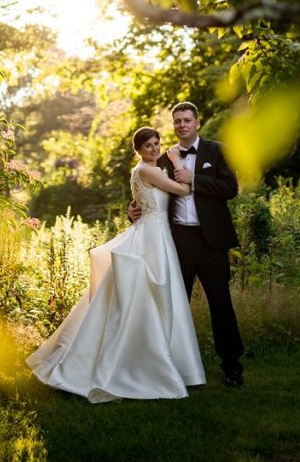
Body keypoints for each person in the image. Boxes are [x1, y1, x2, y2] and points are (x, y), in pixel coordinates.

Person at [27, 127, 205, 401]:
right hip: (152, 237)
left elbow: (143, 203)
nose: (155, 149)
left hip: (156, 233)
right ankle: (142, 364)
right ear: (139, 150)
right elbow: (181, 188)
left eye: (157, 144)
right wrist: (179, 164)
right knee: (149, 294)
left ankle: (164, 358)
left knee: (153, 295)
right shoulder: (149, 171)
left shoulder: (145, 171)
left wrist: (133, 209)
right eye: (148, 146)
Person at [129, 102, 245, 387]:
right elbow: (147, 190)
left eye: (187, 120)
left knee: (221, 304)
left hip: (211, 242)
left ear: (197, 122)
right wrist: (131, 211)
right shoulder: (163, 157)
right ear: (174, 125)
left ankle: (232, 366)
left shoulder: (217, 150)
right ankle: (167, 365)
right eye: (177, 121)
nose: (182, 125)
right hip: (175, 241)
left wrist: (195, 179)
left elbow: (230, 189)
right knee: (170, 303)